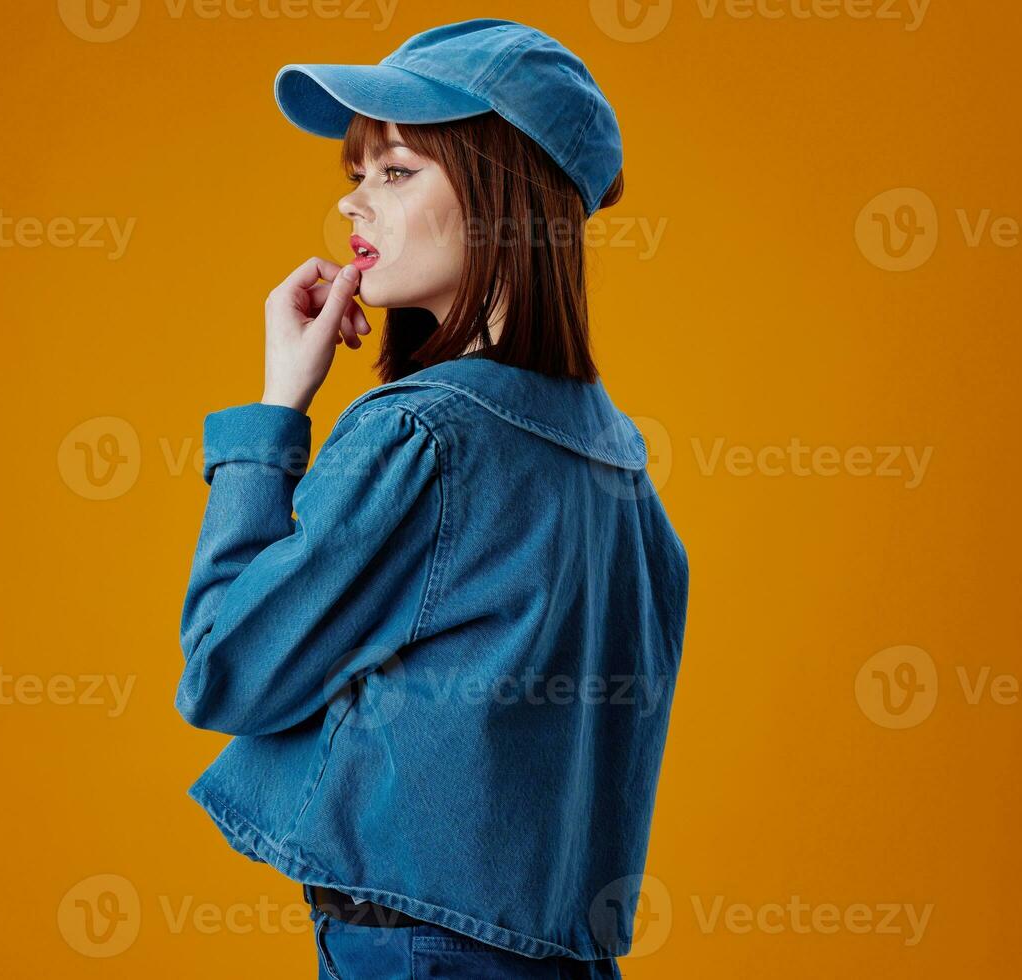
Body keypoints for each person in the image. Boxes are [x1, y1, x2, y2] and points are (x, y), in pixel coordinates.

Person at [175, 18, 689, 979]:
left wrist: (277, 410)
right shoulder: (621, 473)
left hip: (419, 954)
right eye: (356, 173)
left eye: (396, 171)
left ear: (506, 201)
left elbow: (228, 671)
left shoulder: (423, 436)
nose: (354, 205)